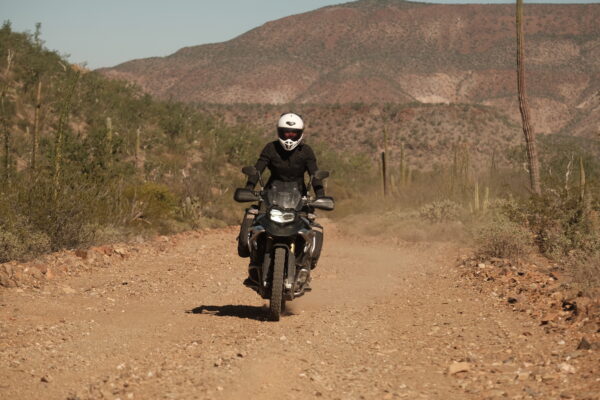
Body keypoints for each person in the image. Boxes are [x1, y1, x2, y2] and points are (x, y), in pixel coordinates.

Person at [237, 112, 326, 281]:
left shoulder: (306, 151)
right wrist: (249, 188)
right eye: (286, 132)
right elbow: (258, 169)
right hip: (271, 194)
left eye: (293, 133)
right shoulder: (270, 148)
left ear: (300, 133)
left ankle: (306, 263)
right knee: (252, 217)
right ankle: (253, 257)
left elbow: (315, 174)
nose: (289, 136)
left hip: (299, 196)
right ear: (279, 132)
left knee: (313, 226)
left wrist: (320, 195)